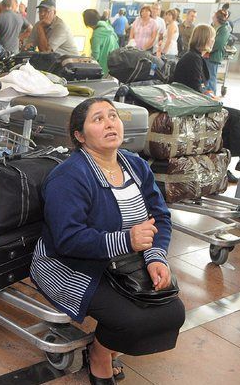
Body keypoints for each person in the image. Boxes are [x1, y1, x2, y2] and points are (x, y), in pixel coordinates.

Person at [30, 97, 185, 385]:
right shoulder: (69, 177)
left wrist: (155, 257)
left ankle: (107, 344)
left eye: (112, 116)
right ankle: (100, 354)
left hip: (125, 260)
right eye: (98, 119)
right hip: (70, 265)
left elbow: (160, 218)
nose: (110, 123)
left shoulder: (136, 165)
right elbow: (68, 240)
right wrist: (126, 239)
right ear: (80, 135)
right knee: (133, 319)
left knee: (172, 311)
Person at [173, 24, 240, 179]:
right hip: (192, 106)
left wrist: (211, 95)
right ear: (204, 39)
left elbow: (199, 86)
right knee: (236, 116)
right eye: (212, 38)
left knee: (231, 116)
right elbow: (195, 89)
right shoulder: (193, 59)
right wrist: (211, 98)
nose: (214, 41)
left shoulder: (195, 57)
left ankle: (230, 163)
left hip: (193, 102)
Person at [83, 9, 119, 75]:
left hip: (104, 66)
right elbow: (116, 39)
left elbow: (95, 55)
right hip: (115, 63)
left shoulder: (97, 34)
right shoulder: (107, 26)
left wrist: (85, 62)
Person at [207, 9, 231, 96]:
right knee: (207, 77)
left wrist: (207, 49)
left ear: (217, 18)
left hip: (213, 57)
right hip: (208, 56)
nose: (212, 17)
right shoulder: (214, 27)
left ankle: (212, 96)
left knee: (211, 78)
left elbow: (218, 44)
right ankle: (207, 95)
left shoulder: (224, 29)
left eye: (214, 16)